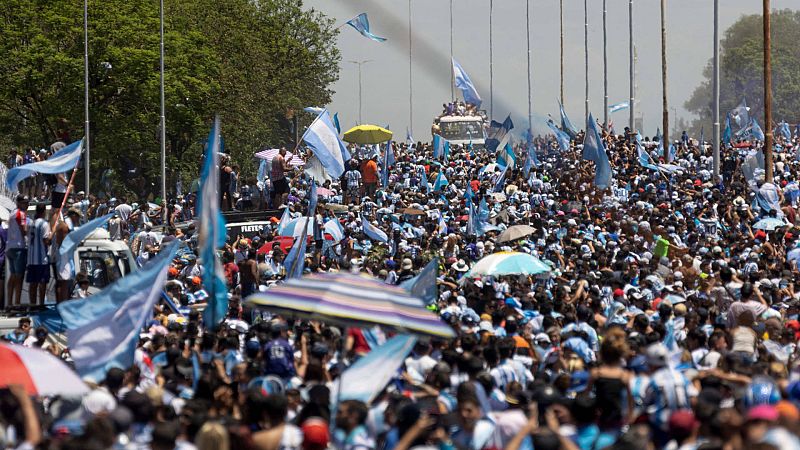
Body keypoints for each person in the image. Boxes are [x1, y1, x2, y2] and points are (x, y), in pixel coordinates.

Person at [26, 203, 51, 305]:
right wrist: (50, 239)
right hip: (41, 258)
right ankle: (41, 304)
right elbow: (46, 241)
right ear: (44, 211)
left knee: (33, 283)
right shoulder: (44, 224)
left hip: (32, 258)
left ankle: (32, 304)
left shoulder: (31, 223)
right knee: (42, 283)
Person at [6, 194, 29, 306]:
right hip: (19, 247)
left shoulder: (12, 213)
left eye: (27, 202)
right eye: (24, 203)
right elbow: (24, 230)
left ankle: (10, 303)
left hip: (10, 247)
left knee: (13, 276)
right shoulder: (21, 214)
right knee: (19, 277)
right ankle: (17, 303)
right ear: (18, 203)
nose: (27, 205)